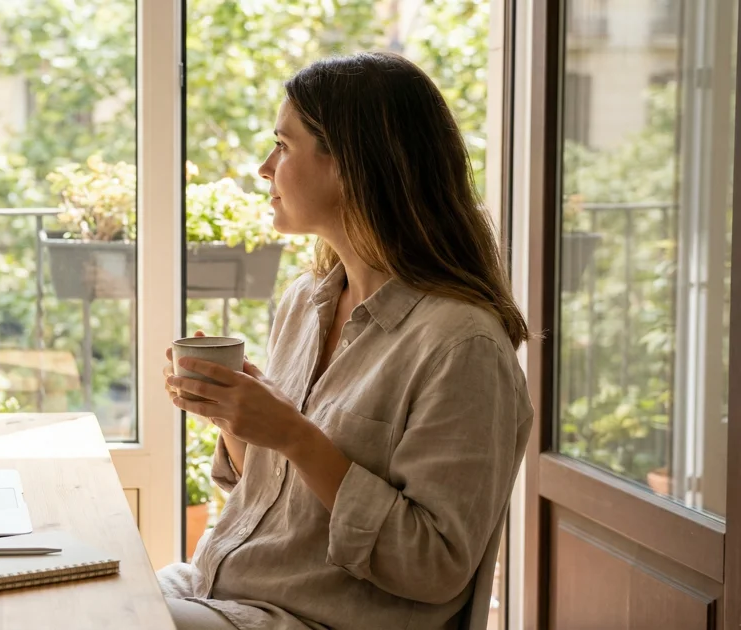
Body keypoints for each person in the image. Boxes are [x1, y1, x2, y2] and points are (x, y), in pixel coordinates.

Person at [158, 52, 533, 630]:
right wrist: (236, 420)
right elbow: (262, 494)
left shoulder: (461, 347)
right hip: (220, 587)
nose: (264, 167)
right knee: (77, 591)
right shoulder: (305, 302)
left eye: (283, 146)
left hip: (310, 620)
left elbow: (435, 565)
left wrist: (296, 436)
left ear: (352, 166)